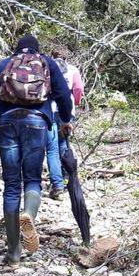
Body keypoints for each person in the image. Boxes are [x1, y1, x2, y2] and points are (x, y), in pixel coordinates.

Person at [0, 34, 73, 264]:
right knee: (32, 179)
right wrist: (64, 119)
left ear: (16, 50)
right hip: (36, 122)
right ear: (36, 49)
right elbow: (63, 94)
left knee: (11, 185)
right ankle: (29, 216)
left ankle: (13, 252)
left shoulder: (4, 64)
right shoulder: (47, 63)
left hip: (6, 123)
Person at [43, 45, 86, 200]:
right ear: (67, 57)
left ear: (52, 55)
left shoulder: (45, 68)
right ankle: (68, 178)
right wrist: (75, 102)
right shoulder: (73, 69)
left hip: (48, 111)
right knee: (63, 144)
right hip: (66, 111)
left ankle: (57, 186)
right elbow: (79, 89)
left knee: (52, 148)